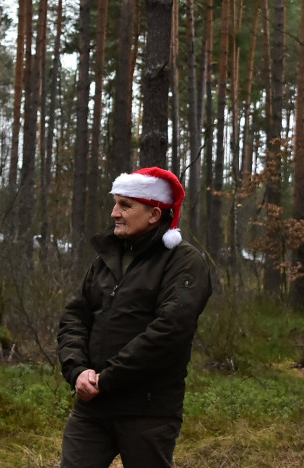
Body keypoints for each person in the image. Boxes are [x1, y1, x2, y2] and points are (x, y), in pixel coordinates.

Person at [57, 167, 212, 468]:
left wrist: (108, 378)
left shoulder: (185, 262)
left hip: (148, 410)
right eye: (115, 203)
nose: (115, 213)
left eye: (126, 205)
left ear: (154, 214)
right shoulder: (106, 258)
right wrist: (78, 371)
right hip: (93, 406)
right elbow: (75, 317)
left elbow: (170, 331)